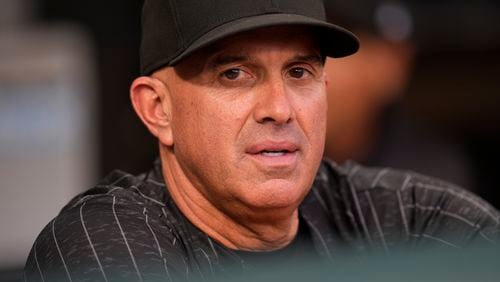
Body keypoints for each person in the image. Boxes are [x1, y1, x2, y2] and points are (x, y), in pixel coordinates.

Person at [24, 0, 500, 281]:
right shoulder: (99, 241)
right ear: (157, 109)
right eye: (234, 73)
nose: (280, 107)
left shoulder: (407, 217)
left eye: (299, 72)